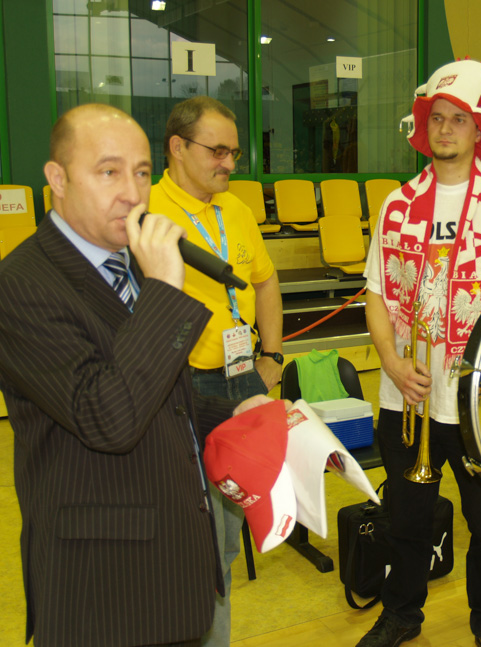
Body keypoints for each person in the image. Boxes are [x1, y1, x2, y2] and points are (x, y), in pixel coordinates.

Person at [0, 104, 272, 647]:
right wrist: (167, 292)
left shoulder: (126, 263)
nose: (132, 193)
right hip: (103, 585)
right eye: (109, 171)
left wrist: (239, 412)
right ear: (56, 179)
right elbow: (109, 416)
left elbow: (160, 396)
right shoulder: (22, 284)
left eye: (142, 172)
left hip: (170, 562)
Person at [360, 60, 481, 647]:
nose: (445, 129)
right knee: (407, 519)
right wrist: (392, 363)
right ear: (425, 127)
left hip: (476, 399)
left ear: (478, 131)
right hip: (407, 394)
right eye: (437, 119)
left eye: (459, 120)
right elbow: (374, 291)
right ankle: (401, 614)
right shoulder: (398, 203)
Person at [148, 96, 284, 647]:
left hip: (240, 382)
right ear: (178, 148)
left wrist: (271, 357)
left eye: (235, 151)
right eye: (218, 150)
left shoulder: (238, 211)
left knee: (227, 535)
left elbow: (266, 282)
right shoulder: (146, 211)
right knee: (190, 537)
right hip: (177, 391)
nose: (230, 162)